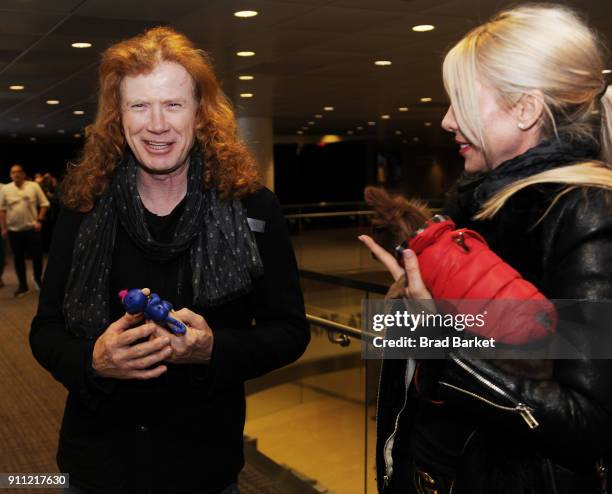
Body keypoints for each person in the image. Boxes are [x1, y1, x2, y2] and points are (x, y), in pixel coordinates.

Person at [30, 27, 309, 494]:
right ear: (118, 117)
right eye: (139, 106)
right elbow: (46, 329)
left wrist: (212, 350)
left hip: (202, 467)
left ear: (200, 113)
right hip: (97, 466)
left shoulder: (253, 207)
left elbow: (290, 331)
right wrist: (92, 360)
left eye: (173, 105)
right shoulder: (82, 206)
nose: (157, 124)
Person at [359, 4, 612, 494]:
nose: (449, 121)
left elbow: (589, 421)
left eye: (462, 102)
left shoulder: (585, 212)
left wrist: (432, 335)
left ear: (526, 109)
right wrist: (403, 317)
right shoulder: (484, 208)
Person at [0, 164, 49, 296]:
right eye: (13, 172)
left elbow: (45, 204)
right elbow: (2, 210)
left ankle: (38, 280)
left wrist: (39, 219)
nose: (16, 174)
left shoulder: (33, 186)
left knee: (37, 256)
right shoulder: (5, 189)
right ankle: (23, 285)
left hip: (32, 228)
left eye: (18, 172)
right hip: (14, 230)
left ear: (23, 173)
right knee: (18, 258)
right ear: (10, 175)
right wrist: (4, 228)